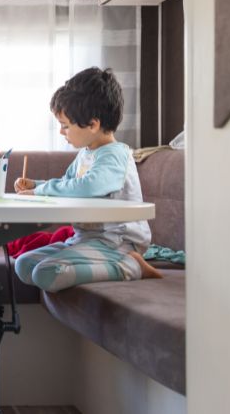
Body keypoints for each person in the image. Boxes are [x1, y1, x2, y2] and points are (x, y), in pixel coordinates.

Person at [13, 67, 162, 293]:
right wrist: (36, 185)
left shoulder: (115, 155)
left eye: (66, 125)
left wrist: (41, 192)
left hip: (116, 242)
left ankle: (130, 266)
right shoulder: (86, 153)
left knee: (46, 273)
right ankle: (110, 263)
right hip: (85, 239)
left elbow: (88, 187)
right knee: (24, 264)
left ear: (92, 124)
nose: (62, 132)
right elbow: (66, 184)